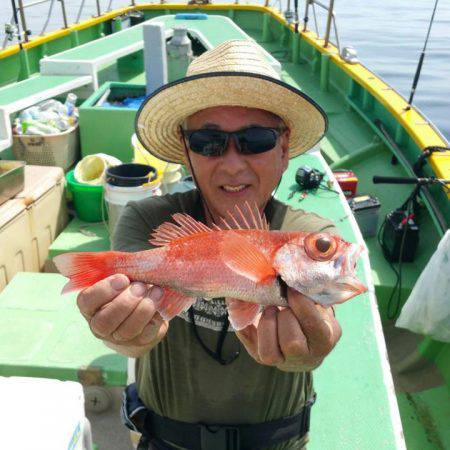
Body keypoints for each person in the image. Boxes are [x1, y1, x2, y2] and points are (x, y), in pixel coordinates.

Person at [76, 40, 342, 449]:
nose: (233, 164)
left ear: (285, 148)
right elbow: (130, 328)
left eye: (256, 140)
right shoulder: (147, 221)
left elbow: (324, 324)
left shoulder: (306, 233)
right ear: (186, 150)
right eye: (207, 142)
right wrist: (120, 334)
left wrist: (310, 353)